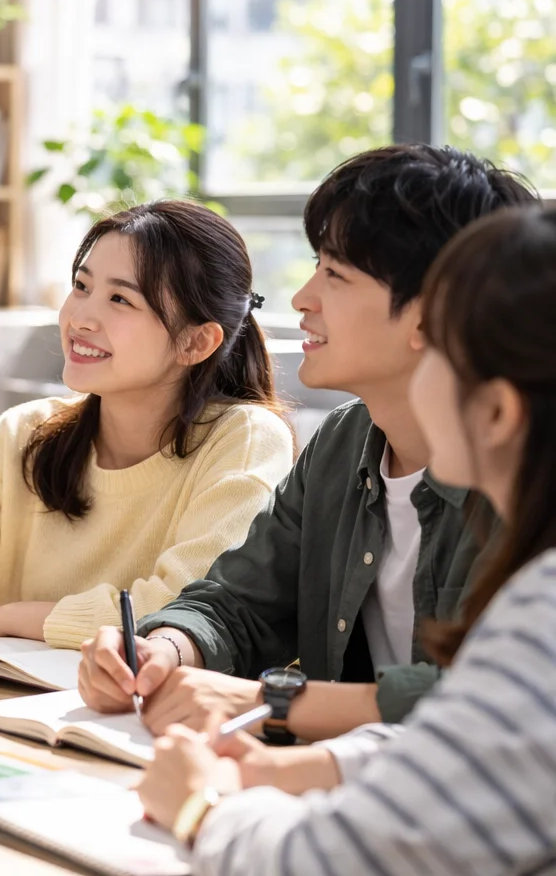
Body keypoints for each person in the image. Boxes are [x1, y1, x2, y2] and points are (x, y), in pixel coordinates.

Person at [136, 205, 556, 874]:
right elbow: (471, 739)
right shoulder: (345, 442)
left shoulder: (544, 610)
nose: (303, 298)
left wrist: (200, 806)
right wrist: (311, 766)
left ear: (500, 410)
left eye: (443, 346)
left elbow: (325, 862)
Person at [78, 144, 537, 743]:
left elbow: (501, 696)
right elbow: (237, 602)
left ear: (432, 313)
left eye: (335, 274)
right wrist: (163, 648)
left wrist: (274, 702)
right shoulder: (345, 442)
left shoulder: (520, 476)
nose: (301, 297)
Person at [0, 200, 293, 651]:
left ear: (196, 341)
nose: (79, 318)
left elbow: (190, 612)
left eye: (120, 298)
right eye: (81, 286)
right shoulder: (25, 433)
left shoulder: (244, 439)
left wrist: (13, 619)